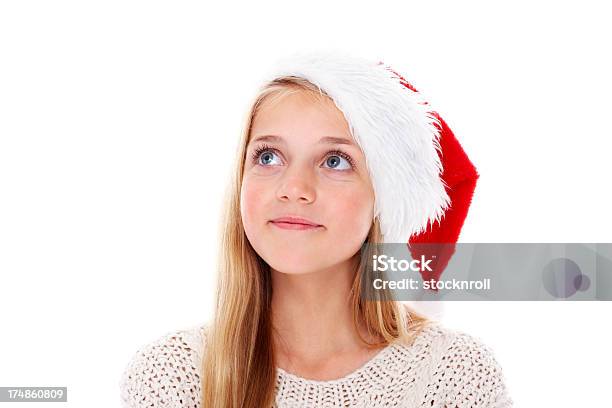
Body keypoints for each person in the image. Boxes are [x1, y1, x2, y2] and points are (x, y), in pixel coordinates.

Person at [119, 50, 513, 407]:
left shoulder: (453, 376)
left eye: (335, 161)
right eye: (269, 156)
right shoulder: (173, 377)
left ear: (383, 198)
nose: (294, 188)